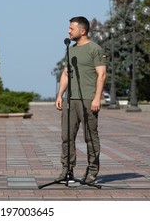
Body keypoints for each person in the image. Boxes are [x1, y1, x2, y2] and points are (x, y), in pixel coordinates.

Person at [55, 16, 107, 184]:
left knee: (90, 137)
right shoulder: (70, 50)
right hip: (71, 99)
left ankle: (92, 172)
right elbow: (65, 74)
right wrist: (60, 95)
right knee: (66, 136)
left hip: (88, 99)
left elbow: (102, 74)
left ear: (82, 31)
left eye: (71, 28)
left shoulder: (95, 49)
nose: (68, 31)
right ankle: (66, 170)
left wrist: (97, 98)